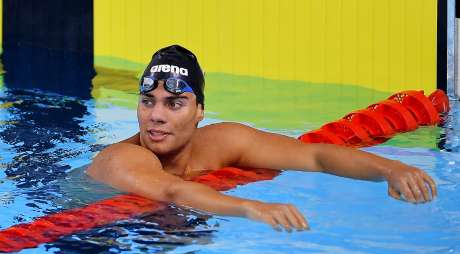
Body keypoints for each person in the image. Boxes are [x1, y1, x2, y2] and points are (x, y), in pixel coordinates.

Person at [87, 45, 437, 232]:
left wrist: (389, 169)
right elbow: (172, 191)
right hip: (97, 237)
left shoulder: (223, 141)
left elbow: (316, 156)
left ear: (200, 112)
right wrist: (249, 208)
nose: (156, 115)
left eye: (174, 103)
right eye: (148, 101)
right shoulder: (123, 158)